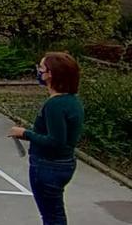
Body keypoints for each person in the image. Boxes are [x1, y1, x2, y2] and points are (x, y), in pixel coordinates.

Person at [9, 52, 85, 225]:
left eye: (41, 68)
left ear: (51, 74)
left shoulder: (55, 105)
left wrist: (24, 133)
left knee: (52, 216)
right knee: (54, 213)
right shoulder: (73, 101)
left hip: (48, 166)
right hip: (64, 164)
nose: (38, 71)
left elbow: (56, 141)